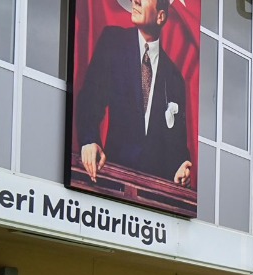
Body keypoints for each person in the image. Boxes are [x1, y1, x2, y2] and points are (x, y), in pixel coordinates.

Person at [74, 0, 193, 186]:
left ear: (160, 16)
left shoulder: (174, 77)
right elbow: (90, 99)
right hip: (112, 180)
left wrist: (181, 167)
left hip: (155, 192)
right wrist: (89, 141)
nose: (135, 0)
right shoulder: (113, 42)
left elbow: (177, 143)